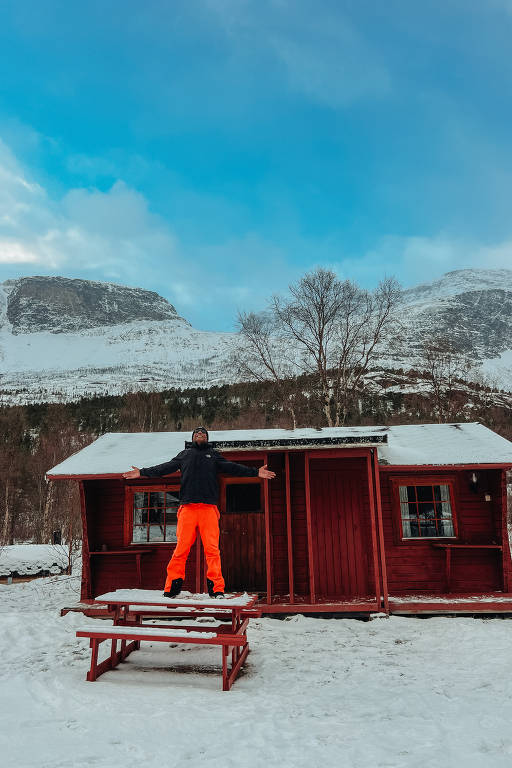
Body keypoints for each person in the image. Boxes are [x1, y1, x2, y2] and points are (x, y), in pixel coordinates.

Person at [122, 427, 276, 599]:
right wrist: (142, 472)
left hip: (208, 509)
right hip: (187, 509)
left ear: (207, 438)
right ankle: (172, 587)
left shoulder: (214, 455)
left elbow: (233, 468)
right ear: (193, 439)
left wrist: (255, 472)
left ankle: (216, 589)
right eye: (196, 434)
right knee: (181, 549)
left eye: (203, 433)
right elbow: (164, 468)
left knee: (212, 551)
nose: (200, 435)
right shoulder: (185, 454)